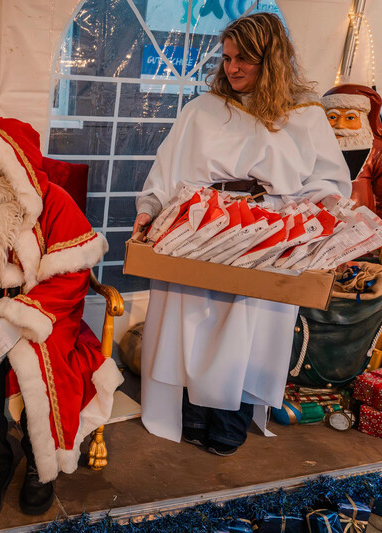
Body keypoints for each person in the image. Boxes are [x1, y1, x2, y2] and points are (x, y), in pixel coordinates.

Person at [132, 13, 351, 456]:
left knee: (244, 329)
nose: (232, 68)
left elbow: (328, 182)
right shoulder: (202, 110)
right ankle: (194, 411)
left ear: (271, 61)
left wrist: (322, 221)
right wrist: (148, 209)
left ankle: (228, 416)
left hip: (266, 233)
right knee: (193, 322)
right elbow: (165, 169)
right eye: (228, 58)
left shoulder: (305, 117)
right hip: (201, 228)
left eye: (245, 59)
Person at [0, 117, 120, 525]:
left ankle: (40, 460)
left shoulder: (54, 202)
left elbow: (72, 275)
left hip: (42, 305)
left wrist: (22, 318)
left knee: (44, 357)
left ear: (14, 166)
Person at [321, 84, 382, 215]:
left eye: (350, 118)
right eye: (332, 117)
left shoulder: (376, 149)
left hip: (363, 221)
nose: (340, 125)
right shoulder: (314, 146)